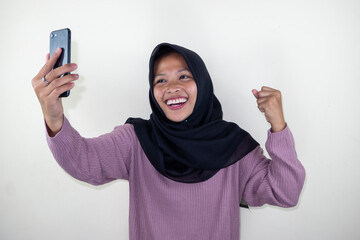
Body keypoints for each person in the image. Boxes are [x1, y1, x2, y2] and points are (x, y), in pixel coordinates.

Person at [32, 43, 305, 240]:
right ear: (152, 91)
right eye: (160, 80)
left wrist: (278, 126)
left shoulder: (233, 147)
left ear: (204, 83)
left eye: (184, 76)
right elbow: (84, 162)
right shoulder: (137, 140)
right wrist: (54, 117)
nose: (171, 88)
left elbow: (286, 192)